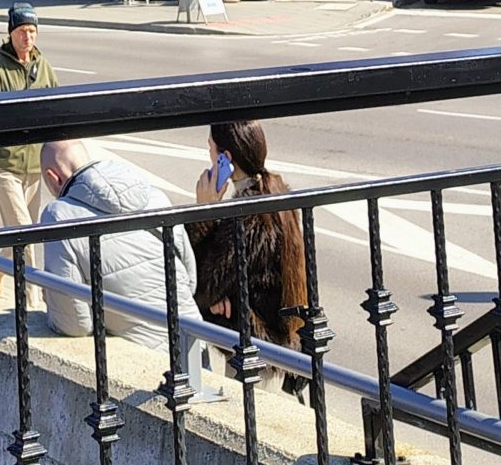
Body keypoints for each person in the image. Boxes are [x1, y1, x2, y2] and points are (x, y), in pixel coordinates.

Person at [38, 139, 196, 349]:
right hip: (194, 341)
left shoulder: (58, 216)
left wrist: (51, 301)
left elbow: (74, 324)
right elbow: (190, 280)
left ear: (53, 177)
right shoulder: (156, 196)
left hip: (145, 353)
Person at [187, 118, 309, 344]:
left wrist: (203, 213)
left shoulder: (249, 216)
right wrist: (219, 296)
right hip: (280, 334)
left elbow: (200, 288)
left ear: (226, 158)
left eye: (210, 147)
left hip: (262, 344)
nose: (210, 155)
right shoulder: (274, 193)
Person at [0, 5, 58, 259]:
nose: (27, 37)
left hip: (35, 167)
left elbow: (56, 116)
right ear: (11, 33)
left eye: (31, 31)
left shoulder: (44, 67)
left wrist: (57, 162)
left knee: (21, 234)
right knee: (25, 233)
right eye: (21, 31)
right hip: (4, 165)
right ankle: (33, 287)